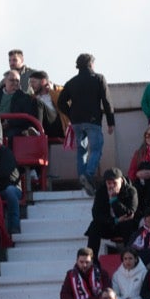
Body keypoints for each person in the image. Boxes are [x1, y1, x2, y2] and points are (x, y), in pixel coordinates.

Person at [59, 54, 115, 194]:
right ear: (91, 64)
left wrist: (71, 114)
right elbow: (107, 101)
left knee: (81, 151)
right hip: (93, 120)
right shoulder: (99, 78)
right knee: (96, 149)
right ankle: (88, 175)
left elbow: (61, 102)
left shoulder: (71, 82)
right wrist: (110, 122)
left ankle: (82, 180)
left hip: (76, 122)